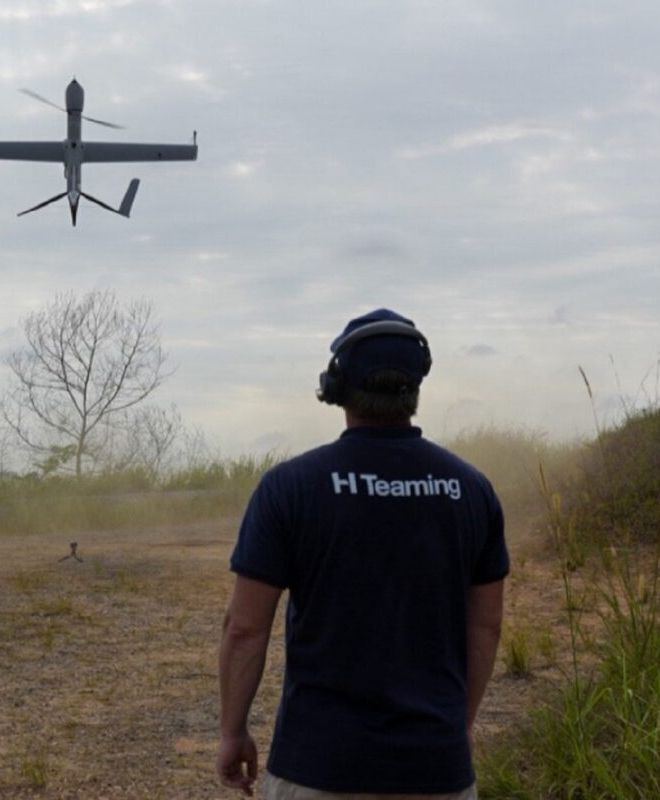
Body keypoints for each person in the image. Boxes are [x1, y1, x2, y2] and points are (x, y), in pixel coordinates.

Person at [217, 308, 508, 799]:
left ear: (336, 385)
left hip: (316, 769)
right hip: (436, 770)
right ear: (416, 387)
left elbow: (245, 629)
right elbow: (487, 627)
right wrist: (459, 726)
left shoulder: (290, 487)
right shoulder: (472, 489)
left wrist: (231, 732)